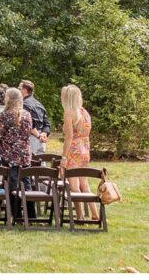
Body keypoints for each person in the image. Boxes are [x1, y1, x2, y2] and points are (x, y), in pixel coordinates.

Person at [61, 84, 98, 221]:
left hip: (74, 149)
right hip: (85, 148)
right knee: (84, 184)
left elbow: (69, 137)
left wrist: (64, 157)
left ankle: (80, 216)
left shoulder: (69, 112)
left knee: (74, 186)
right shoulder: (84, 112)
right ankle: (94, 214)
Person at [0, 88, 33, 222]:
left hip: (10, 154)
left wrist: (1, 143)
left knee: (11, 184)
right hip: (24, 154)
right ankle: (30, 214)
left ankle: (14, 213)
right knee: (26, 184)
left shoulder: (5, 114)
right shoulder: (27, 114)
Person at [20, 80, 50, 156]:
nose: (18, 90)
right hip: (41, 140)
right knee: (41, 164)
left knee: (30, 166)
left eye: (19, 88)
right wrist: (44, 133)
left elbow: (29, 123)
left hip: (31, 138)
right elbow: (47, 124)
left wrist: (39, 136)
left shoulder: (23, 105)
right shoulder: (40, 104)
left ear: (24, 90)